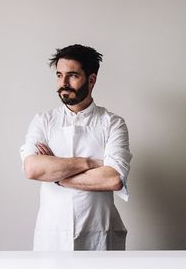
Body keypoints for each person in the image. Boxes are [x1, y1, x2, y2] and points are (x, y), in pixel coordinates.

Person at [20, 44, 132, 251]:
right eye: (59, 75)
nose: (63, 83)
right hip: (52, 234)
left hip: (99, 232)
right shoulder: (43, 121)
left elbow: (113, 179)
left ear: (91, 80)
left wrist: (55, 175)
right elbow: (32, 169)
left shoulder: (113, 123)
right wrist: (89, 163)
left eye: (72, 75)